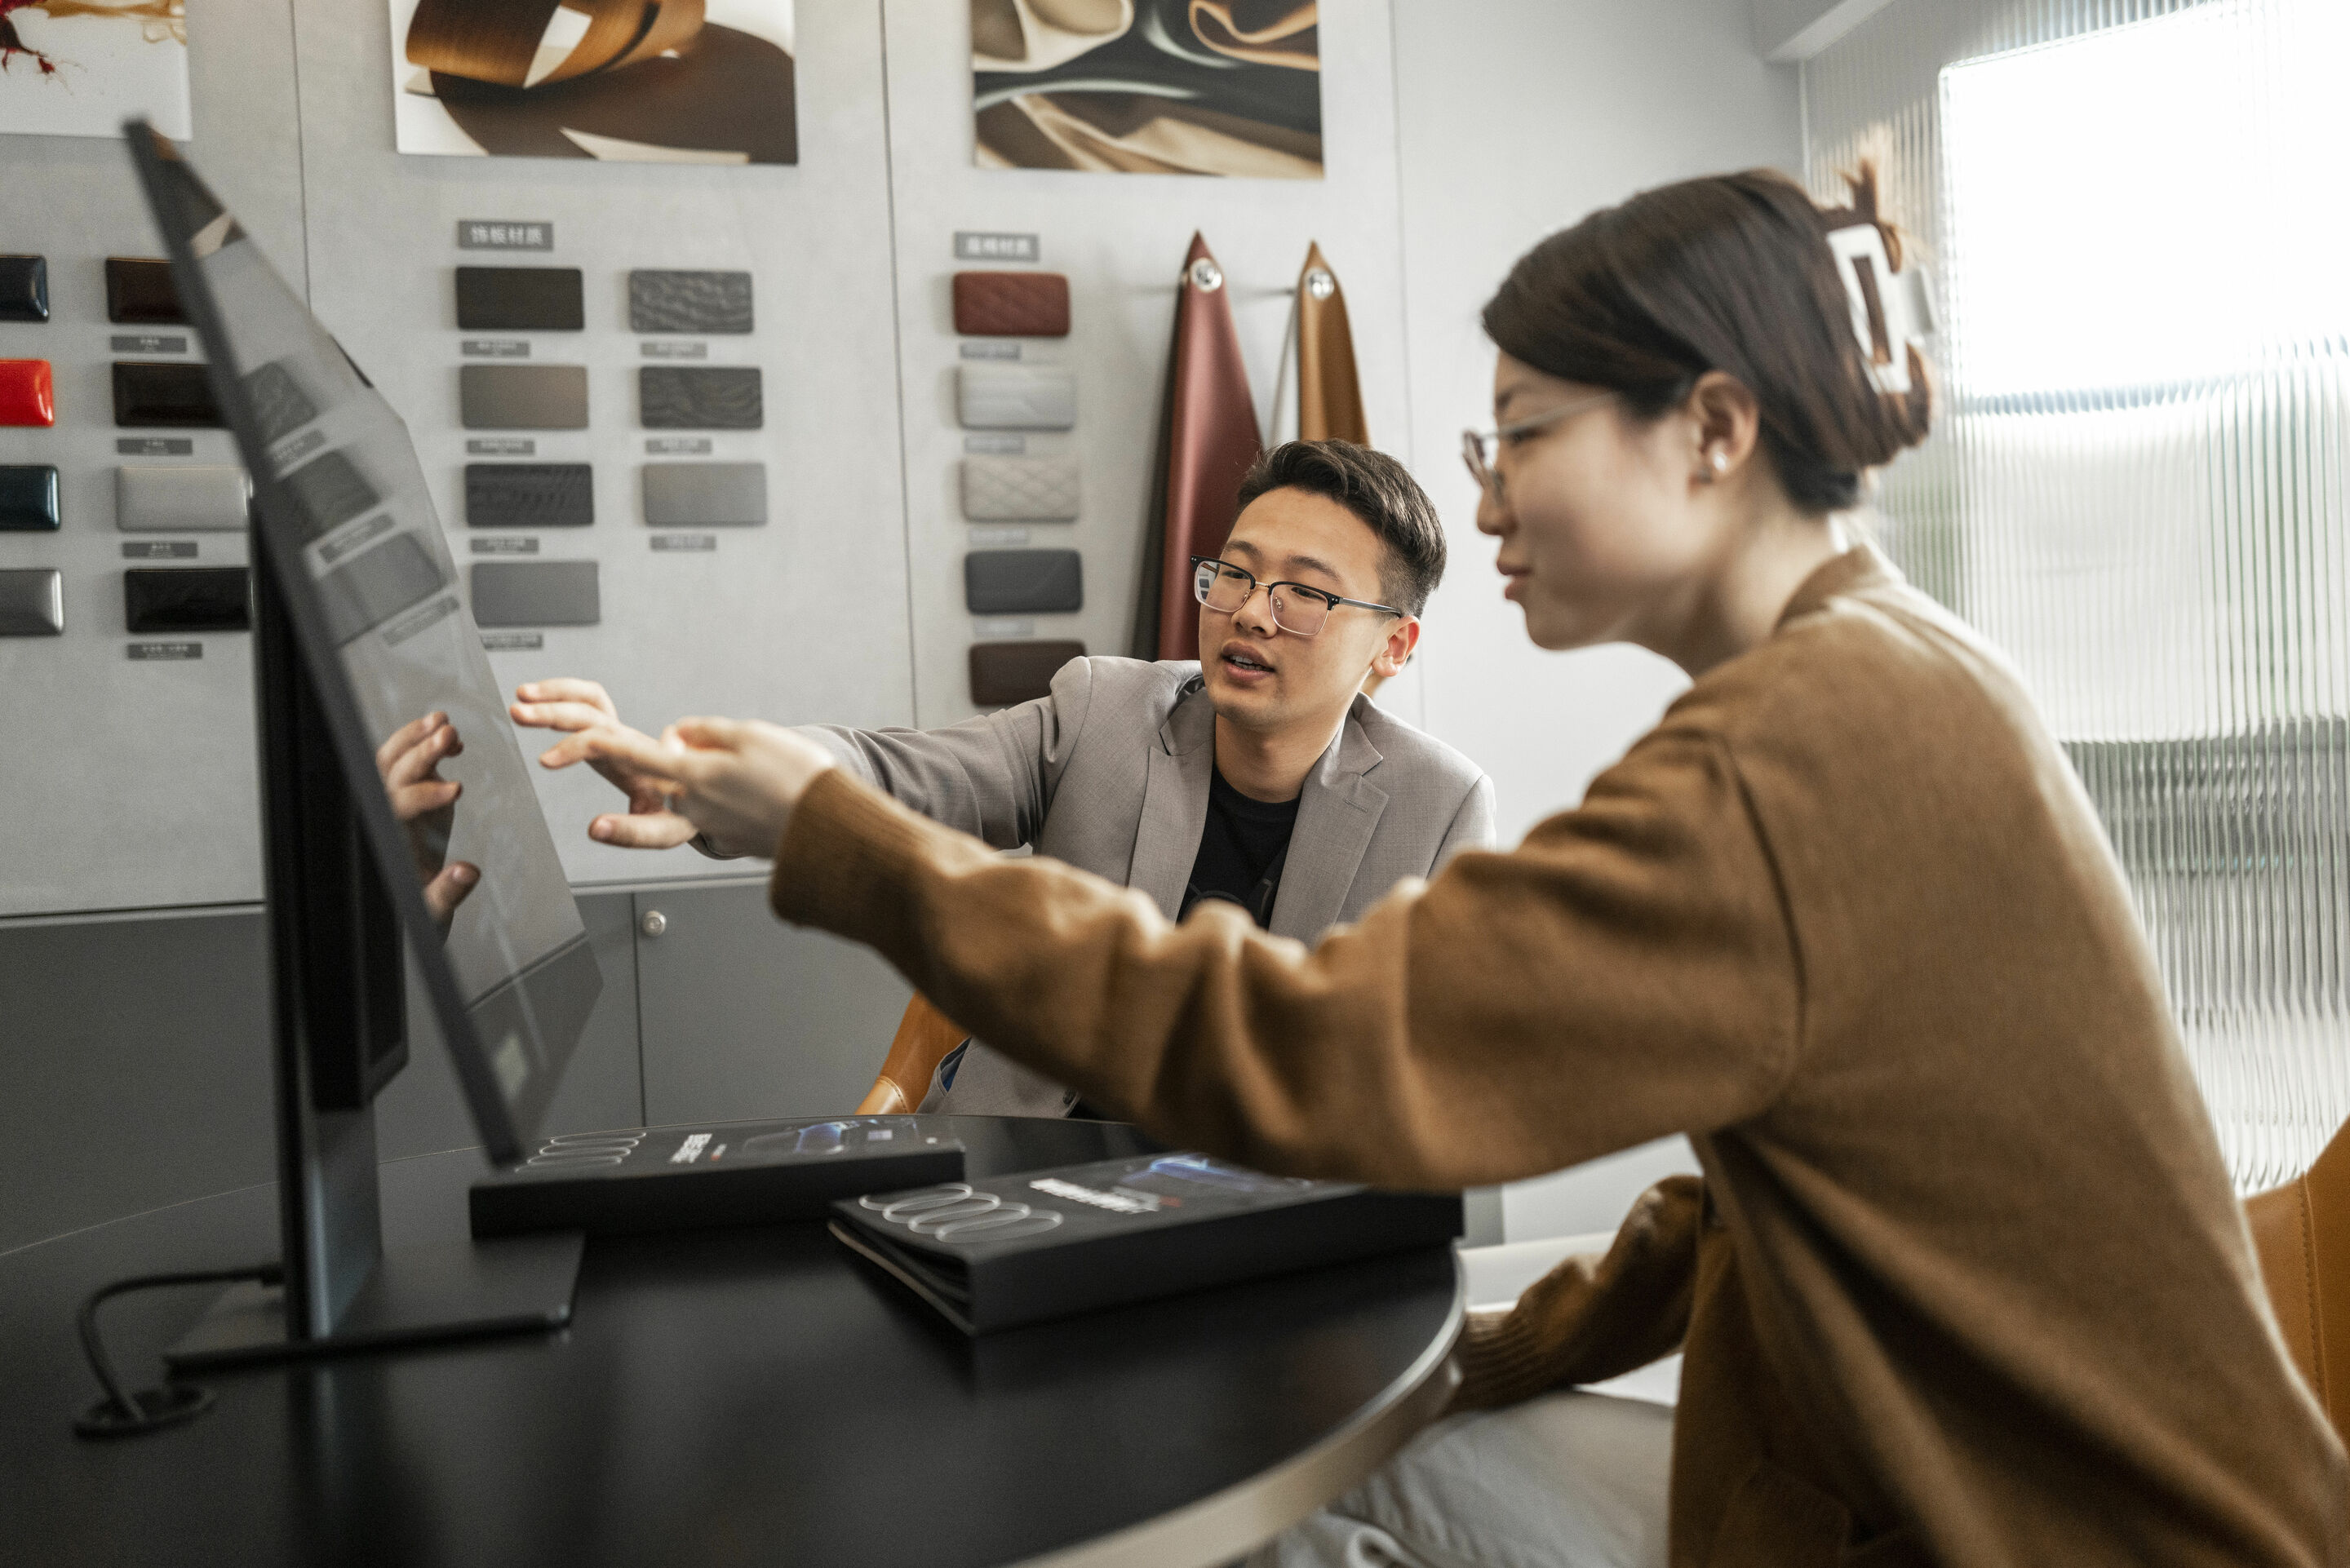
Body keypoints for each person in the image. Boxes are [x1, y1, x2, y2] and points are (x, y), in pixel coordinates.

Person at [562, 166, 2348, 1566]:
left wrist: (840, 848)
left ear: (1714, 432)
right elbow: (1724, 1205)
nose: (1483, 496)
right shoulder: (1898, 671)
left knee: (1287, 1531)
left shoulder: (1806, 748)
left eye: (1528, 434)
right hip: (1933, 1497)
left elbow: (1324, 1050)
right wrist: (1475, 1356)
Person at [514, 438, 1495, 1116]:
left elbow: (1414, 1083)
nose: (1249, 611)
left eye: (1305, 594)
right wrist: (709, 782)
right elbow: (897, 771)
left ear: (1393, 646)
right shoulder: (1106, 710)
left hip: (1262, 1207)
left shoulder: (1438, 807)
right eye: (1234, 573)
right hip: (1029, 1166)